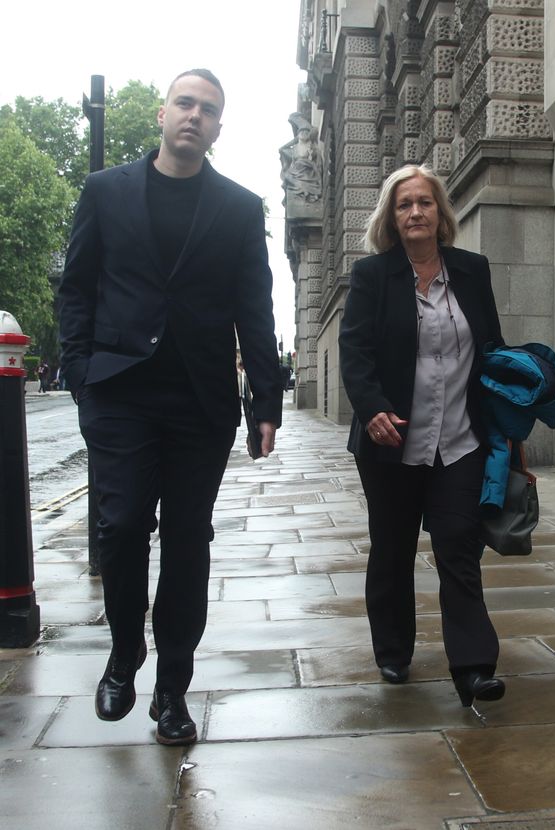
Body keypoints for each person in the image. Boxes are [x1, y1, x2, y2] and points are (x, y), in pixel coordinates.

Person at [58, 68, 283, 745]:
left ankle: (173, 691)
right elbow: (76, 286)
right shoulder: (106, 191)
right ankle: (126, 652)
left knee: (189, 543)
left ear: (218, 126)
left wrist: (265, 400)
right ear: (162, 114)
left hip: (199, 400)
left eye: (208, 109)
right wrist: (79, 372)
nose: (194, 116)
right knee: (121, 526)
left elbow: (254, 307)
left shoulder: (241, 209)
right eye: (185, 103)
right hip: (120, 390)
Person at [338, 164, 506, 708]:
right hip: (393, 442)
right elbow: (355, 353)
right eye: (404, 204)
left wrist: (517, 399)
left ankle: (475, 667)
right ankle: (393, 650)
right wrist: (372, 409)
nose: (415, 212)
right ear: (391, 217)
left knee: (459, 545)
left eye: (424, 203)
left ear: (441, 212)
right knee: (392, 548)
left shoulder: (472, 271)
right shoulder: (372, 276)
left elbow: (492, 348)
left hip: (459, 438)